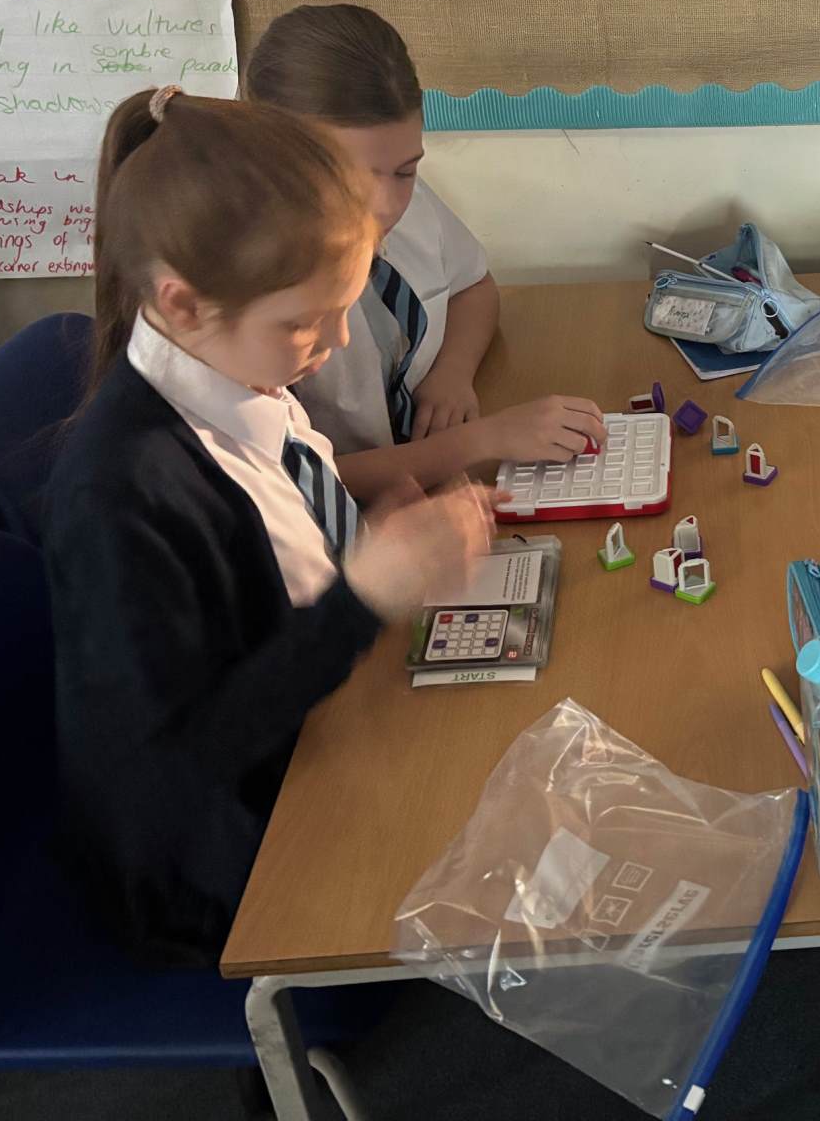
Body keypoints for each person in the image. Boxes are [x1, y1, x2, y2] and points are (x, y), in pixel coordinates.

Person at [46, 85, 490, 965]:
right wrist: (361, 599)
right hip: (227, 868)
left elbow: (271, 565)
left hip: (320, 734)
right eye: (304, 322)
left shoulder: (246, 382)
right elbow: (172, 769)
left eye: (343, 307)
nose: (336, 343)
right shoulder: (120, 496)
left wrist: (366, 538)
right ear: (181, 305)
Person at [244, 3, 603, 501]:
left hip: (422, 488)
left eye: (406, 171)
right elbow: (295, 480)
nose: (388, 205)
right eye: (354, 178)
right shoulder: (247, 285)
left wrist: (452, 372)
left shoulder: (404, 203)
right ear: (274, 159)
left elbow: (473, 286)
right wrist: (480, 442)